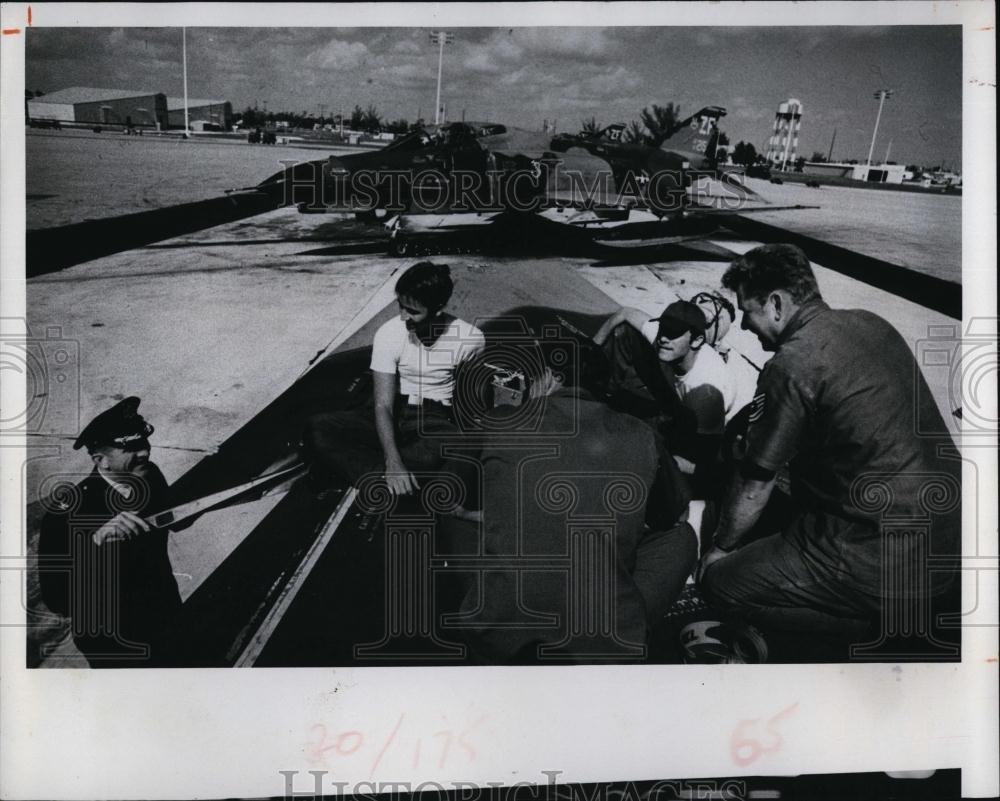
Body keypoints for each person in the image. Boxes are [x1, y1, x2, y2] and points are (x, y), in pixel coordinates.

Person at [698, 244, 961, 643]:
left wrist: (719, 548)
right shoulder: (871, 322)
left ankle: (877, 632)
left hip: (881, 553)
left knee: (721, 585)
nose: (745, 327)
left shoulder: (791, 363)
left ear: (776, 304)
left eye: (747, 312)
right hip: (946, 535)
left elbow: (755, 485)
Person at [446, 341, 697, 663]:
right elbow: (676, 516)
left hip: (497, 636)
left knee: (454, 518)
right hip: (604, 644)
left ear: (551, 376)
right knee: (681, 538)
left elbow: (451, 495)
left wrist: (481, 512)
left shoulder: (501, 419)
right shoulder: (641, 432)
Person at [304, 261, 485, 495]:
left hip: (434, 419)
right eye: (400, 306)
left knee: (447, 448)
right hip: (395, 409)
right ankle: (391, 482)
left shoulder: (470, 339)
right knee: (317, 427)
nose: (403, 317)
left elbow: (471, 398)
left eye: (413, 311)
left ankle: (372, 479)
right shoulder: (389, 333)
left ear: (438, 308)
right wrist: (393, 462)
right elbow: (383, 405)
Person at [37, 397, 182, 667]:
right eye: (131, 448)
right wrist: (95, 544)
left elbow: (174, 517)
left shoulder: (149, 475)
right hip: (115, 642)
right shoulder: (65, 513)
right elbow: (58, 599)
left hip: (166, 618)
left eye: (143, 443)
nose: (145, 453)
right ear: (100, 460)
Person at [592, 299, 739, 490]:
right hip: (674, 395)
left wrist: (660, 460)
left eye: (674, 333)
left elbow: (704, 464)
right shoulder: (663, 338)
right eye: (664, 328)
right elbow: (625, 313)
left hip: (696, 425)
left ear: (697, 340)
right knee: (625, 332)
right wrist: (590, 349)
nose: (663, 338)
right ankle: (599, 395)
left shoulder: (706, 393)